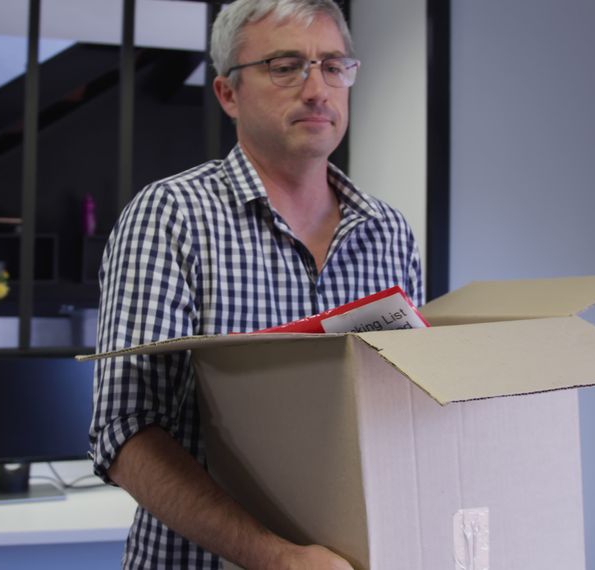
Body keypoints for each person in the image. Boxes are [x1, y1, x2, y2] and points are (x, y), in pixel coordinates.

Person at [90, 0, 423, 567]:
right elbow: (124, 431)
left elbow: (409, 412)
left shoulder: (389, 233)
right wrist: (274, 557)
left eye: (334, 66)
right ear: (227, 93)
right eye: (285, 66)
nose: (317, 89)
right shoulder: (172, 216)